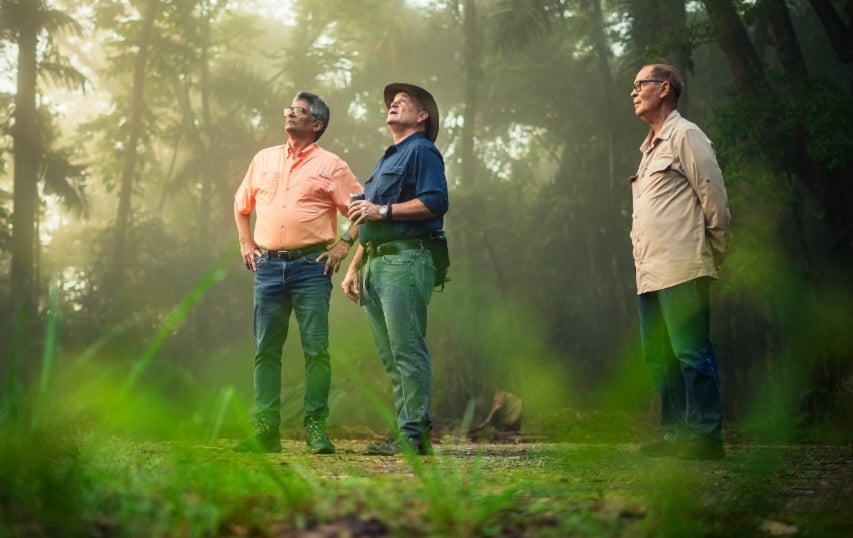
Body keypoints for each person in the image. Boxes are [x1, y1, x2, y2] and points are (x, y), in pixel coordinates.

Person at [233, 91, 363, 454]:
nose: (290, 114)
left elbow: (361, 211)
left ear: (316, 124)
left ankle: (316, 429)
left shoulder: (332, 166)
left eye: (300, 111)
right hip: (268, 267)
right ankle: (265, 432)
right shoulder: (264, 159)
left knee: (316, 350)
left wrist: (342, 245)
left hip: (311, 268)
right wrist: (246, 243)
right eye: (289, 109)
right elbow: (241, 205)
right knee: (266, 350)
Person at [629, 64, 731, 460]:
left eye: (641, 84)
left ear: (665, 88)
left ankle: (706, 438)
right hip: (650, 271)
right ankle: (676, 437)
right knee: (660, 356)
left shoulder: (686, 134)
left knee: (691, 351)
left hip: (683, 265)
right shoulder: (648, 147)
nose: (634, 92)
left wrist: (713, 251)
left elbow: (713, 195)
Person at [341, 83, 449, 456]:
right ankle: (406, 432)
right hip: (376, 262)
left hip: (406, 260)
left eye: (403, 102)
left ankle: (414, 434)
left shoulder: (422, 151)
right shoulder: (388, 158)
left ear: (422, 117)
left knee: (407, 349)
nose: (393, 104)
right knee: (391, 356)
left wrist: (382, 211)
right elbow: (367, 218)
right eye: (390, 102)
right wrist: (355, 265)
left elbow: (437, 201)